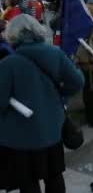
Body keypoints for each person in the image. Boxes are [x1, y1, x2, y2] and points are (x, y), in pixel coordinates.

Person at [0, 14, 84, 193]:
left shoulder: (8, 64)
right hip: (52, 129)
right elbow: (77, 81)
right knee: (54, 176)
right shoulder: (55, 53)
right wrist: (61, 95)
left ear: (12, 35)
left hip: (21, 136)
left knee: (28, 182)